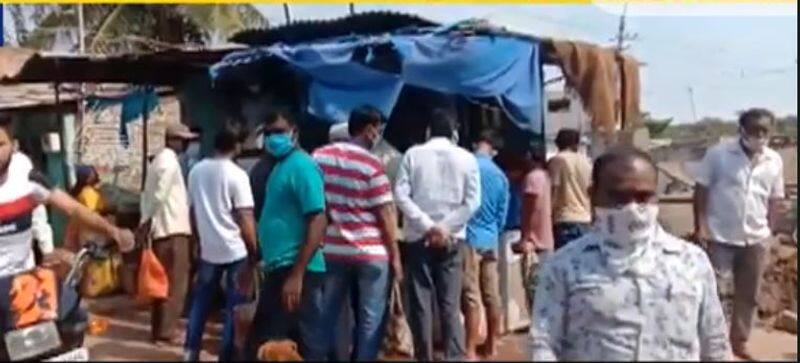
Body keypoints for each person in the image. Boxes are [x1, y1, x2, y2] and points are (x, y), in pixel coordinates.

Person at [530, 146, 731, 361]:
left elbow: (715, 343)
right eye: (619, 197)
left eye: (643, 197)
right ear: (593, 196)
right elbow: (543, 345)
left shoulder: (692, 262)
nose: (632, 208)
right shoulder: (564, 266)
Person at [693, 108, 784, 360]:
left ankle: (740, 342)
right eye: (754, 130)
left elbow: (775, 198)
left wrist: (771, 231)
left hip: (756, 237)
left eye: (765, 131)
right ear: (741, 130)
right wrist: (700, 225)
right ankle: (715, 345)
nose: (760, 136)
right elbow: (701, 190)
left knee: (749, 294)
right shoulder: (719, 155)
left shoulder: (774, 160)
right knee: (716, 293)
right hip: (720, 234)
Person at [313, 105, 401, 361]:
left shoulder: (319, 158)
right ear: (369, 130)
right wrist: (395, 256)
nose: (378, 135)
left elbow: (316, 202)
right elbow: (386, 216)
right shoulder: (372, 165)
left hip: (332, 249)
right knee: (369, 322)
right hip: (371, 253)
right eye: (377, 129)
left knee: (326, 315)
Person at [0, 116, 134, 280]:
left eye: (1, 144)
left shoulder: (25, 172)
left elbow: (73, 208)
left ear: (13, 145)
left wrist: (113, 231)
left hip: (23, 283)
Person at [394, 108, 481, 361]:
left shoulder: (412, 154)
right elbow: (473, 202)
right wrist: (444, 228)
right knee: (450, 305)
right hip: (453, 239)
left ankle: (425, 356)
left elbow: (401, 195)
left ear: (428, 131)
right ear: (453, 133)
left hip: (418, 238)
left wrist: (426, 225)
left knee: (421, 304)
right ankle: (454, 356)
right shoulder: (467, 158)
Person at [244, 111, 327, 361]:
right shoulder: (278, 168)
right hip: (278, 267)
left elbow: (318, 219)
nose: (273, 138)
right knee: (276, 345)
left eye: (279, 131)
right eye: (268, 133)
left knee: (296, 345)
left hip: (296, 270)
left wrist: (297, 274)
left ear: (294, 132)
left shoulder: (302, 166)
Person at [184, 128, 259, 362]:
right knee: (234, 306)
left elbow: (193, 212)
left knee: (201, 302)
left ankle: (190, 351)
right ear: (236, 147)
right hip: (235, 249)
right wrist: (254, 250)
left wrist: (197, 241)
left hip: (209, 249)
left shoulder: (196, 171)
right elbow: (246, 218)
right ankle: (226, 355)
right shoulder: (238, 175)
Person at [140, 123, 197, 347]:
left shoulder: (160, 160)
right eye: (183, 140)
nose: (186, 144)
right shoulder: (168, 161)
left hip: (164, 230)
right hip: (172, 231)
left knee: (161, 283)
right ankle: (167, 332)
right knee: (176, 284)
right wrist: (147, 221)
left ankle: (160, 330)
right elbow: (158, 195)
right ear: (173, 140)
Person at [462, 130, 509, 359]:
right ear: (495, 151)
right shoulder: (501, 176)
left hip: (469, 238)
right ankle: (491, 346)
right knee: (492, 295)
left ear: (476, 144)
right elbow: (502, 214)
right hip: (490, 239)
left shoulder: (467, 167)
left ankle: (470, 349)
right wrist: (493, 232)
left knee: (471, 296)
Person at [512, 150, 554, 305]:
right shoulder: (545, 177)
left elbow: (529, 207)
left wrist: (524, 236)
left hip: (534, 242)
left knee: (533, 287)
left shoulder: (532, 178)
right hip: (546, 239)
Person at [547, 129, 592, 249]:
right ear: (576, 144)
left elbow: (553, 190)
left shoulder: (557, 161)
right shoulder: (586, 162)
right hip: (585, 219)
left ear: (557, 143)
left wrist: (547, 215)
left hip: (565, 218)